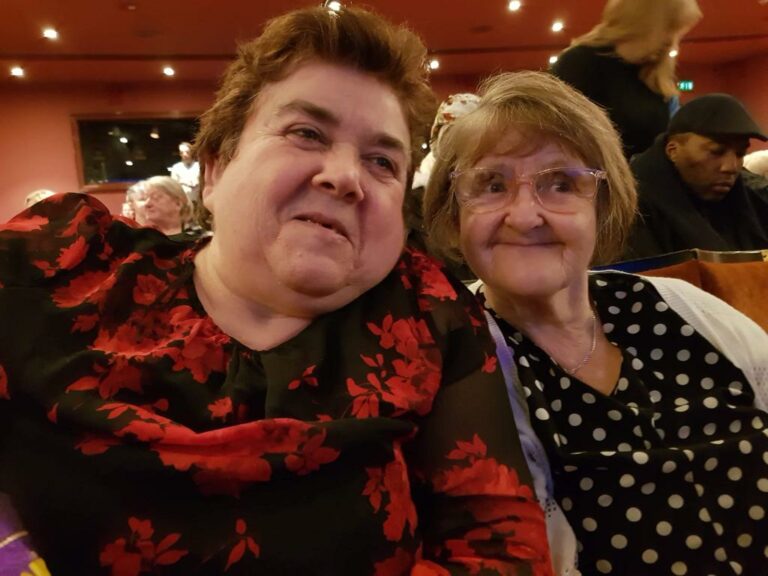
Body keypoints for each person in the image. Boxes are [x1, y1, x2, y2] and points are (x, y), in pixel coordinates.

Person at [0, 6, 553, 575]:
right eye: (306, 133)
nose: (346, 177)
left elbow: (500, 550)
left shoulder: (431, 311)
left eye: (382, 161)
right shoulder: (65, 258)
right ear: (215, 169)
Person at [423, 70, 768, 575]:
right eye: (492, 185)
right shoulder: (453, 360)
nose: (526, 215)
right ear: (453, 216)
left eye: (561, 184)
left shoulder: (683, 308)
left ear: (601, 207)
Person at [551, 0, 701, 158]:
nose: (672, 41)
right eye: (669, 28)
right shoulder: (579, 63)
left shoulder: (657, 75)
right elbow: (563, 137)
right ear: (645, 21)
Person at [625, 93, 768, 259]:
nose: (731, 167)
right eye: (716, 152)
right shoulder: (632, 209)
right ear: (673, 150)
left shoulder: (751, 200)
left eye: (740, 154)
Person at [141, 175, 194, 239]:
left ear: (178, 204)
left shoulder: (199, 239)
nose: (147, 204)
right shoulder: (141, 238)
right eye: (145, 198)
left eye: (156, 197)